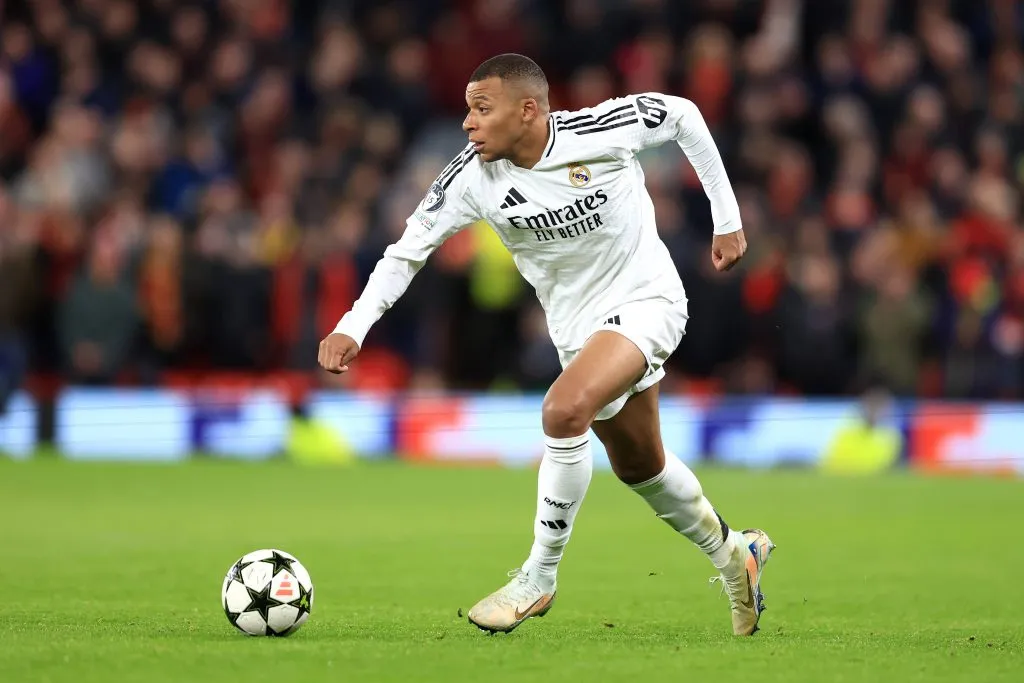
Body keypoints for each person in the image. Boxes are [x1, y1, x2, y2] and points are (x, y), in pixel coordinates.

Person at [318, 54, 775, 636]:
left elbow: (682, 114)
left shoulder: (598, 131)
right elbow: (407, 252)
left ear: (528, 110)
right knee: (642, 466)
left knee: (562, 410)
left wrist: (726, 218)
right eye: (467, 109)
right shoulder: (470, 178)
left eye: (482, 108)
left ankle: (538, 577)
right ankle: (735, 555)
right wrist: (353, 325)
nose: (468, 122)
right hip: (577, 332)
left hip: (648, 300)